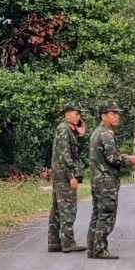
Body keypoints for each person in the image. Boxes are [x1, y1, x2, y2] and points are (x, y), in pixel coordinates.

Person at [87, 100, 135, 259]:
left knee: (97, 214)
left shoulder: (97, 132)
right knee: (106, 215)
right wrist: (129, 160)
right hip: (106, 181)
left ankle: (92, 247)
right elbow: (113, 158)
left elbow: (107, 156)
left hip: (97, 180)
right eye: (113, 113)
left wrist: (125, 156)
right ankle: (99, 249)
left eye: (117, 113)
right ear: (103, 116)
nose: (117, 116)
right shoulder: (106, 134)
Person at [48, 102, 87, 253]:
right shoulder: (63, 128)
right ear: (67, 114)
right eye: (76, 114)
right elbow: (65, 154)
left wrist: (80, 135)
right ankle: (68, 242)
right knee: (68, 209)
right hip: (64, 175)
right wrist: (72, 176)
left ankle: (54, 242)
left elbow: (76, 151)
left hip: (60, 173)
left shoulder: (68, 130)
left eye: (79, 114)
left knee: (57, 210)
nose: (79, 117)